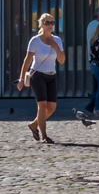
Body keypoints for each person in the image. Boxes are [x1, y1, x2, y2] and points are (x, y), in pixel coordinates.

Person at [17, 13, 65, 143]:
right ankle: (44, 136)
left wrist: (55, 46)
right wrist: (21, 78)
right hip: (37, 75)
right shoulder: (35, 41)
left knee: (52, 107)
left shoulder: (57, 40)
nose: (50, 25)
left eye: (52, 23)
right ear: (41, 25)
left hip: (51, 75)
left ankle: (34, 124)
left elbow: (61, 60)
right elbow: (27, 61)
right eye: (47, 23)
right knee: (42, 106)